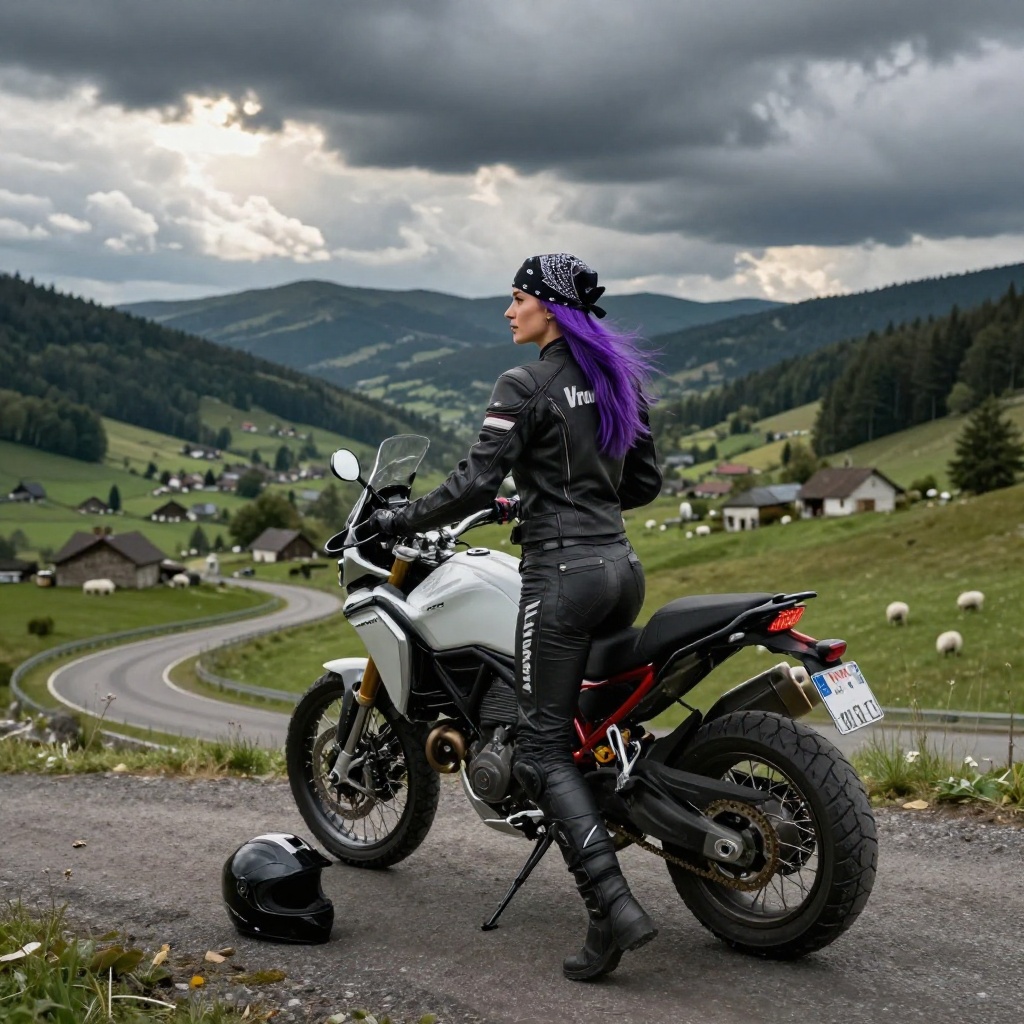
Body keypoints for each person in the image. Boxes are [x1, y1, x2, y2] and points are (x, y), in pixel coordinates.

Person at [363, 253, 662, 980]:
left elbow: (472, 482)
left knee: (539, 749)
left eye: (518, 297)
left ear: (550, 309)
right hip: (621, 572)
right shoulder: (615, 378)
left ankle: (611, 912)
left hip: (561, 579)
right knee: (583, 730)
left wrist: (404, 515)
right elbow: (643, 483)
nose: (508, 310)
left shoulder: (523, 383)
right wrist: (551, 503)